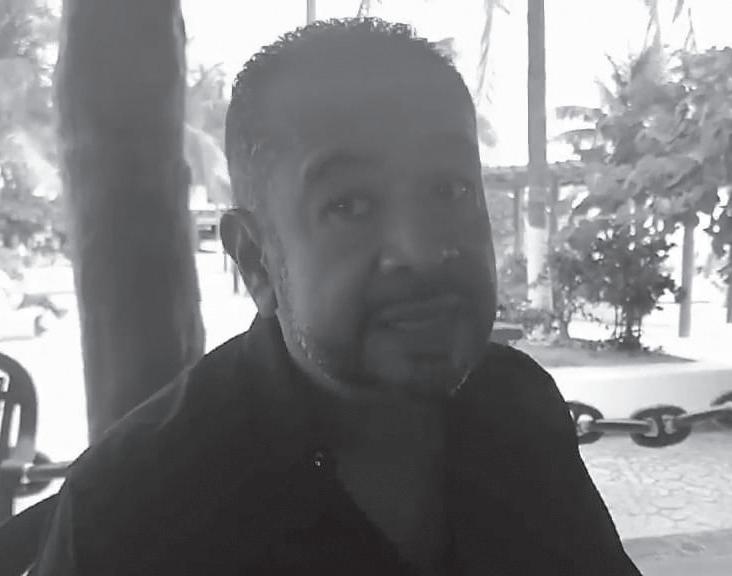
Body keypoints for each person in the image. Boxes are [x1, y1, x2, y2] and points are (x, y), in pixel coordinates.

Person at [30, 18, 641, 575]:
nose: (423, 251)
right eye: (350, 204)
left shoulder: (516, 405)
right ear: (256, 259)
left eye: (449, 189)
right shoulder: (132, 514)